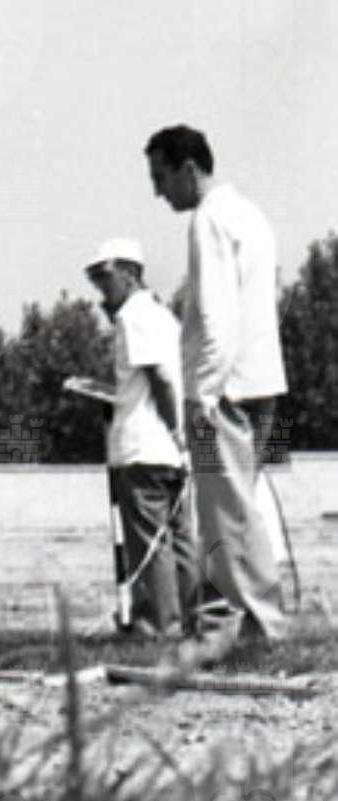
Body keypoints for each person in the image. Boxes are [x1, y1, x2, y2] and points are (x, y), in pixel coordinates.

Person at [145, 125, 290, 655]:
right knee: (238, 506)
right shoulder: (250, 215)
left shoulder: (209, 220)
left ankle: (251, 625)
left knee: (221, 512)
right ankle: (243, 627)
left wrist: (202, 396)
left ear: (189, 169)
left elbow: (216, 316)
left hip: (220, 393)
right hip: (260, 384)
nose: (158, 192)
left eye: (161, 177)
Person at [82, 238, 194, 637]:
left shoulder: (134, 317)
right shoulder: (164, 317)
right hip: (171, 451)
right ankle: (190, 622)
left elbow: (159, 380)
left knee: (148, 543)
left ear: (129, 273)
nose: (100, 287)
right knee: (181, 538)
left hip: (144, 445)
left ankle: (160, 625)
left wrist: (174, 429)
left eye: (105, 276)